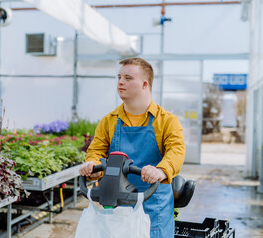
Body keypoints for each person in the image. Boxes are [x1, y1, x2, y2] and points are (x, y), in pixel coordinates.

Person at [78, 57, 185, 237]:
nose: (120, 82)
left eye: (128, 78)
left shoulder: (167, 121)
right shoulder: (109, 121)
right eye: (119, 77)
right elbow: (96, 150)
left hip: (153, 205)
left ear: (145, 84)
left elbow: (176, 150)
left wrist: (160, 171)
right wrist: (93, 165)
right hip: (117, 204)